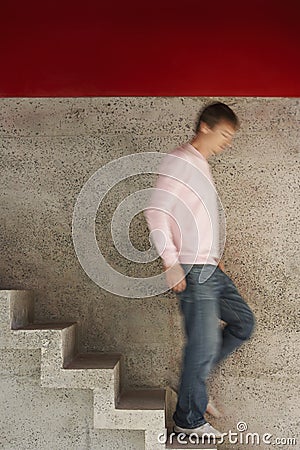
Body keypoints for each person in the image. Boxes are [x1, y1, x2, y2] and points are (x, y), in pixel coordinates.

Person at [144, 102, 255, 438]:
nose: (227, 142)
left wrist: (214, 254)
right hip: (191, 268)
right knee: (203, 346)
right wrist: (171, 262)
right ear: (205, 127)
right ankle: (188, 419)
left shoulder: (200, 165)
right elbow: (155, 212)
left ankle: (194, 386)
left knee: (243, 323)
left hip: (209, 266)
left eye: (230, 137)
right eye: (224, 134)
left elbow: (195, 216)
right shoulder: (180, 161)